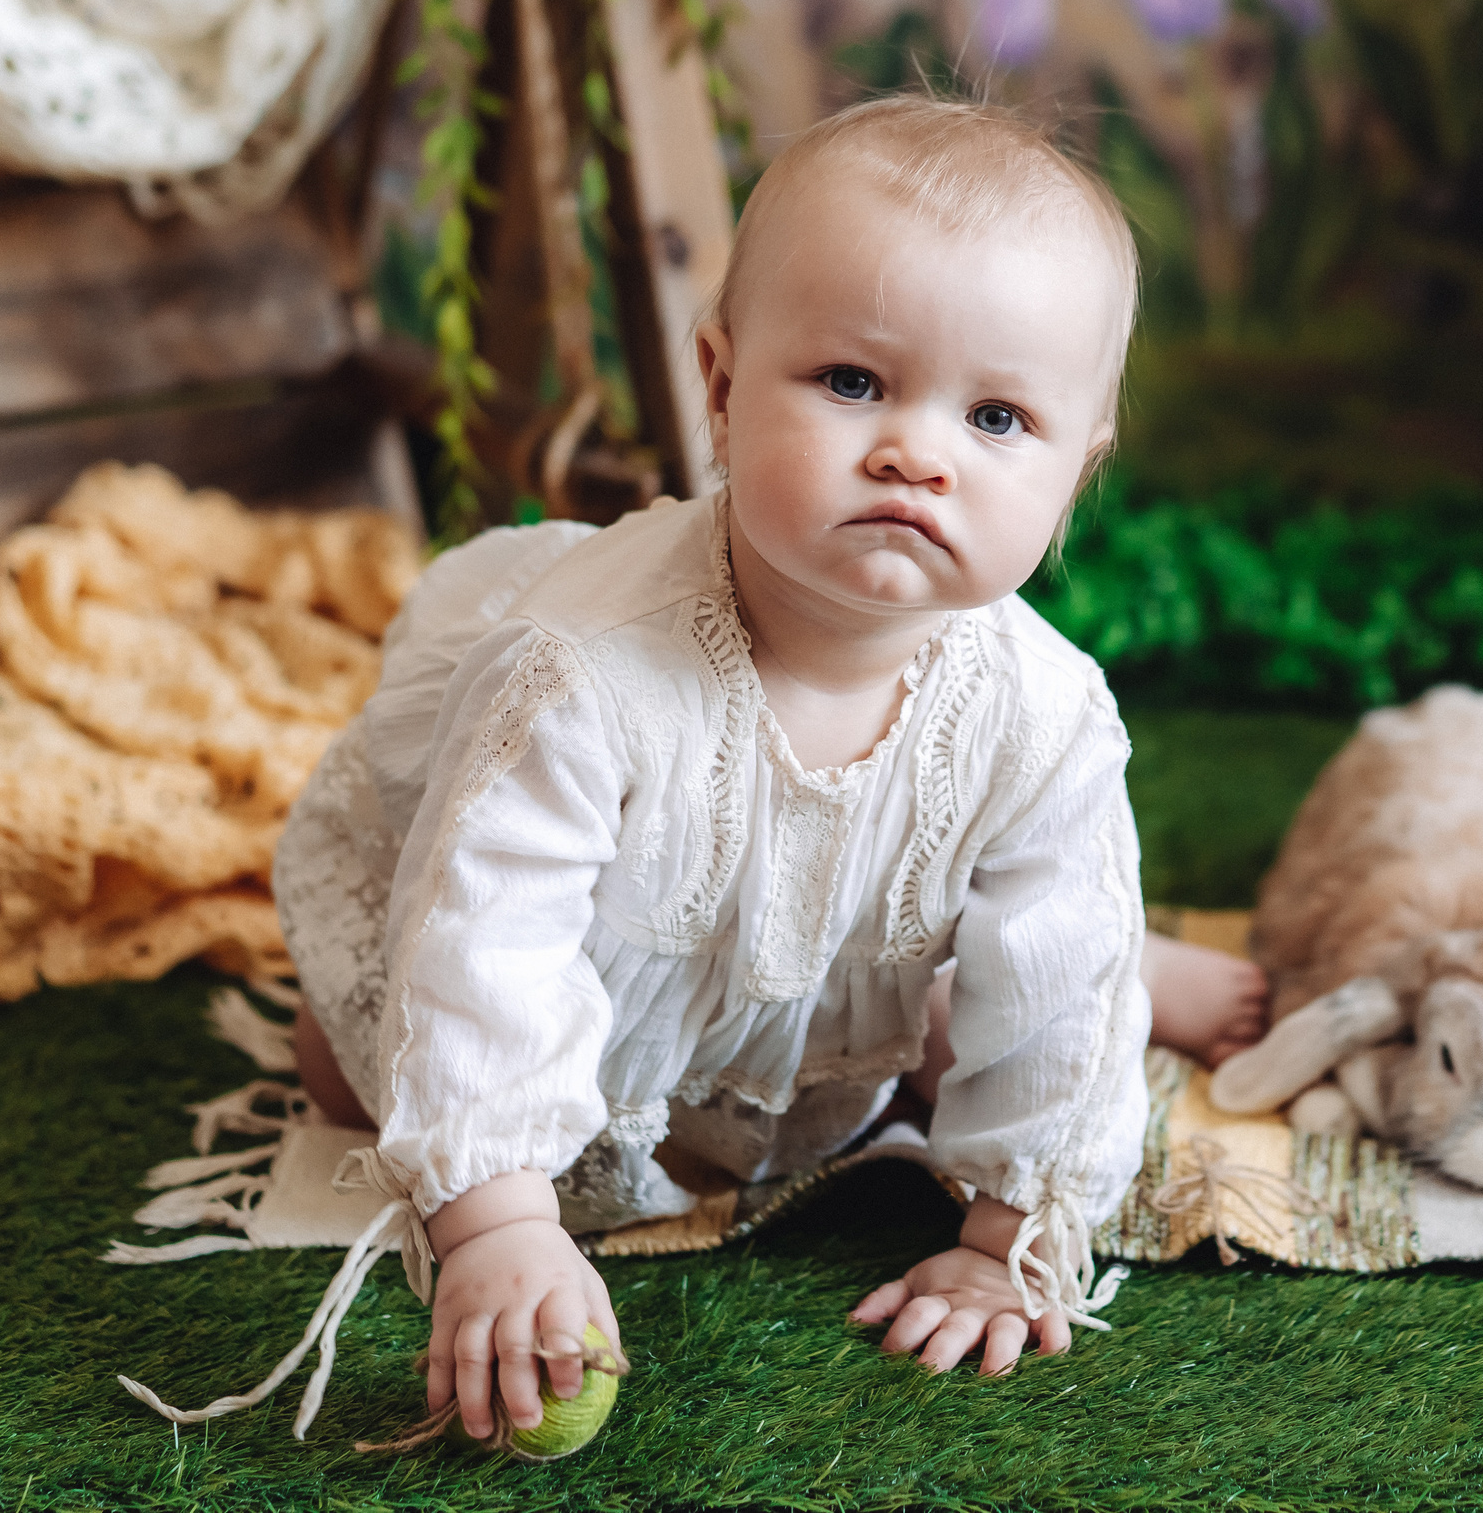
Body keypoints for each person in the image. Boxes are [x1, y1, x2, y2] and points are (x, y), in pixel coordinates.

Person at [271, 96, 1268, 1447]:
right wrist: (495, 1224)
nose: (917, 451)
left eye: (995, 417)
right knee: (355, 1071)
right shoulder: (582, 670)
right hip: (597, 988)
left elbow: (1062, 997)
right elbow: (484, 938)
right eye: (853, 384)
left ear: (1077, 469)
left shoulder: (1047, 715)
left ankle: (1122, 966)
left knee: (1034, 980)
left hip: (824, 1009)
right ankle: (390, 1060)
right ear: (726, 388)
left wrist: (1010, 1240)